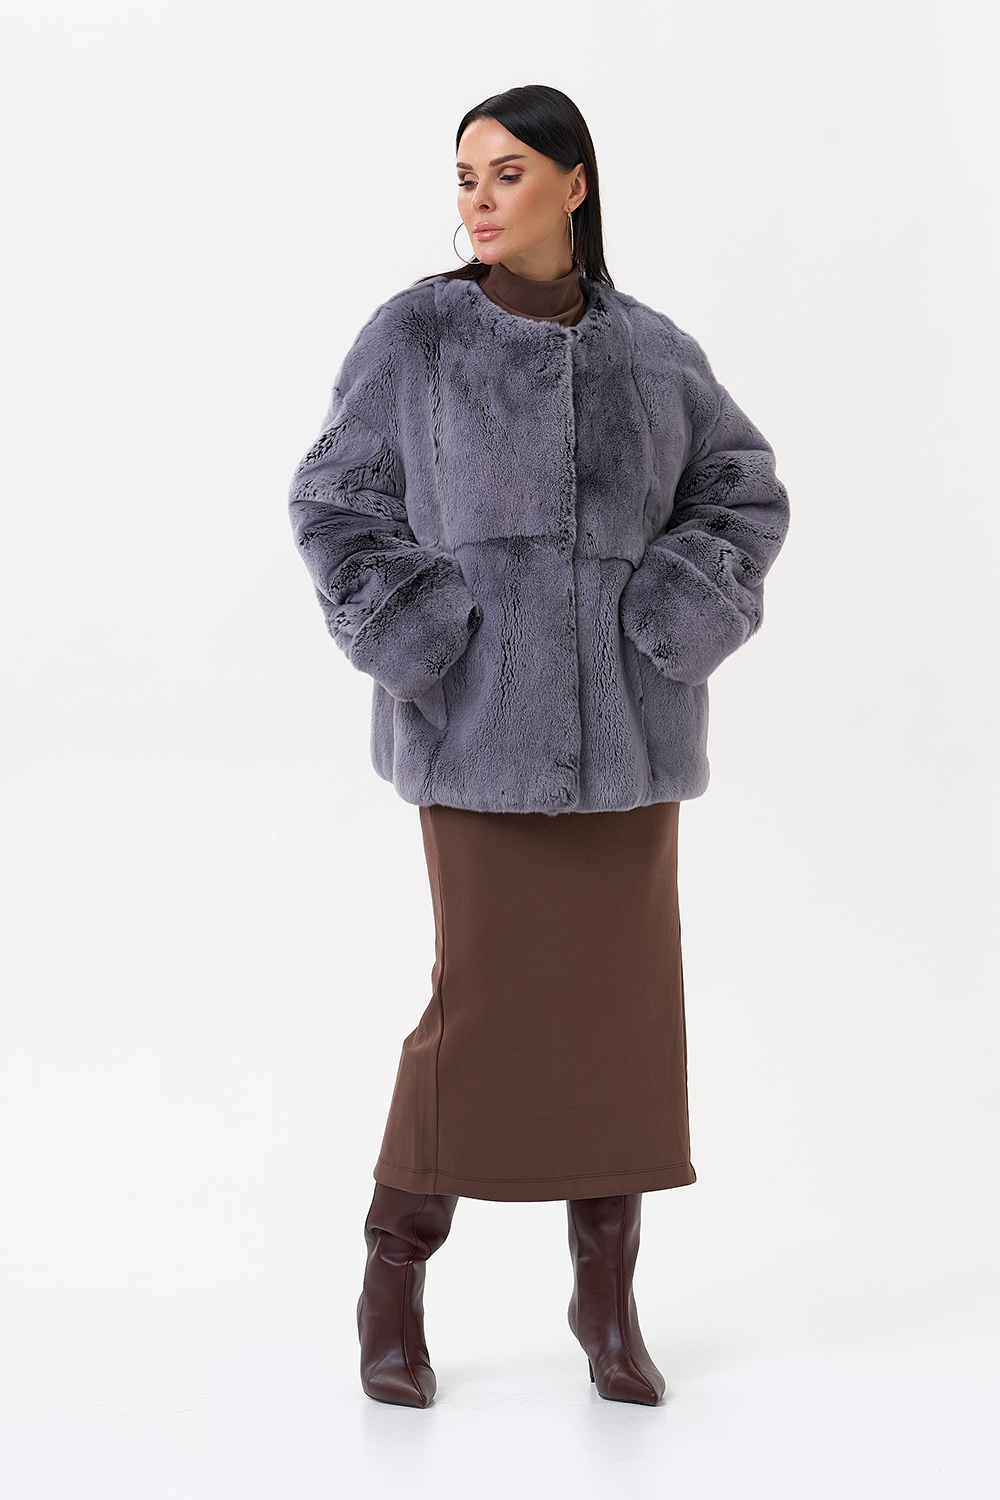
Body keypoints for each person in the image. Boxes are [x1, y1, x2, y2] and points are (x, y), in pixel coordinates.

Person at [287, 84, 790, 1408]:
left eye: (507, 173)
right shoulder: (414, 336)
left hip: (629, 744)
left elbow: (742, 489)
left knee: (622, 1019)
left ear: (576, 182)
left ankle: (605, 1303)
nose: (478, 199)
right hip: (476, 737)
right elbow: (334, 498)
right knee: (481, 1010)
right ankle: (394, 1272)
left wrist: (676, 608)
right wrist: (423, 627)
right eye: (465, 176)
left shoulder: (658, 352)